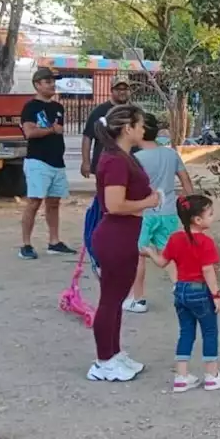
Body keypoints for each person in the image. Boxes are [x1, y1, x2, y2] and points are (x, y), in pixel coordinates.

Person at [87, 104, 160, 383]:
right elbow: (114, 204)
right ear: (127, 128)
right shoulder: (115, 160)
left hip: (127, 233)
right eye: (140, 124)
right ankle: (103, 361)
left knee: (117, 300)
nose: (143, 129)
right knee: (109, 300)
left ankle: (114, 352)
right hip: (115, 235)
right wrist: (149, 202)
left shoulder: (124, 157)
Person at [146, 194, 220, 392]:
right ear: (198, 220)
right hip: (200, 292)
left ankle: (181, 376)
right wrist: (217, 295)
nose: (213, 217)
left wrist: (150, 252)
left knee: (186, 332)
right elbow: (207, 270)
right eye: (210, 214)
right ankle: (212, 376)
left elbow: (162, 262)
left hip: (180, 291)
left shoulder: (175, 238)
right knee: (209, 332)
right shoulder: (205, 242)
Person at [123, 114, 194, 314]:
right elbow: (185, 180)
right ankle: (182, 290)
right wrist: (192, 205)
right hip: (168, 211)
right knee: (169, 252)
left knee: (138, 255)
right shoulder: (171, 154)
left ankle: (138, 299)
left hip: (143, 212)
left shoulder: (135, 159)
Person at [19, 67, 77, 259]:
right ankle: (25, 244)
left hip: (56, 161)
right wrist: (52, 130)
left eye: (53, 81)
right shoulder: (31, 107)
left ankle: (54, 241)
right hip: (38, 160)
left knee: (54, 202)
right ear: (37, 85)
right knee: (34, 202)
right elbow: (29, 132)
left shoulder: (58, 108)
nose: (52, 84)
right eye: (47, 81)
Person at [80, 79, 131, 274]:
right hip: (105, 165)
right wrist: (85, 161)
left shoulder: (132, 113)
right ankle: (103, 242)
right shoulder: (100, 111)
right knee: (106, 204)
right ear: (111, 91)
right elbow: (87, 137)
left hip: (128, 164)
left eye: (125, 89)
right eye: (119, 89)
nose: (122, 92)